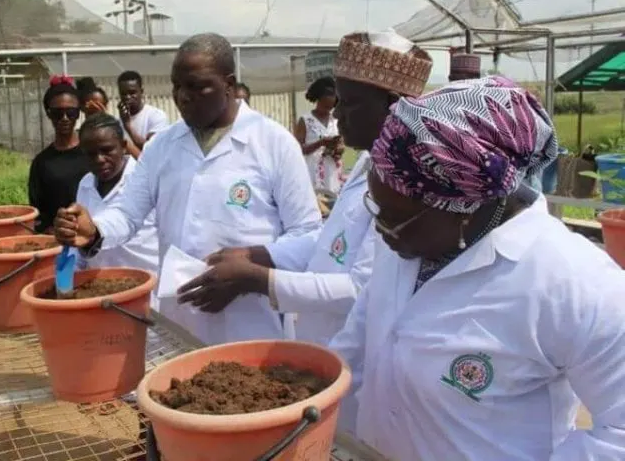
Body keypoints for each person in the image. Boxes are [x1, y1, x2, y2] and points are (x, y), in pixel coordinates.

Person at [330, 76, 625, 459]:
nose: (379, 228)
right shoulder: (408, 244)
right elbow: (360, 334)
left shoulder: (576, 283)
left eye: (395, 216)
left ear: (465, 209)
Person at [55, 33, 322, 345]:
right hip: (180, 319)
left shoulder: (273, 143)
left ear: (229, 84)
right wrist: (95, 230)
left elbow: (307, 233)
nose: (183, 96)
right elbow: (127, 214)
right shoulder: (162, 147)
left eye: (197, 86)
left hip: (252, 323)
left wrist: (249, 268)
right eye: (177, 86)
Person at [180, 29, 434, 349]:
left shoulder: (405, 186)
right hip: (325, 342)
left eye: (350, 103)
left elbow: (362, 288)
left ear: (393, 105)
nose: (338, 114)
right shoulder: (369, 162)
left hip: (362, 355)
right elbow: (330, 239)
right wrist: (260, 254)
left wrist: (256, 279)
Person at [72, 112, 159, 294]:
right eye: (91, 154)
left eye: (106, 150)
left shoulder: (145, 182)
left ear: (124, 146)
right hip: (100, 289)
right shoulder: (85, 184)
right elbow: (80, 243)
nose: (99, 159)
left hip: (146, 290)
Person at [28, 75, 89, 233]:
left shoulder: (93, 153)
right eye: (57, 113)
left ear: (79, 112)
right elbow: (37, 211)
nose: (64, 118)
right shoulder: (41, 163)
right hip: (59, 241)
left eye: (71, 112)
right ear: (48, 114)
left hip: (94, 237)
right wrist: (50, 230)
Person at [294, 76, 346, 194]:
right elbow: (298, 149)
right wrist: (320, 143)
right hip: (312, 173)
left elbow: (342, 146)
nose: (327, 110)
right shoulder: (306, 120)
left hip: (332, 173)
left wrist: (338, 150)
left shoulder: (335, 120)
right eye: (325, 106)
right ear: (318, 100)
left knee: (332, 203)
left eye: (330, 107)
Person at [116, 70, 169, 156]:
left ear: (141, 91)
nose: (128, 97)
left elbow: (152, 150)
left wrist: (128, 126)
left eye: (132, 93)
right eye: (123, 94)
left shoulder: (156, 116)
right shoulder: (117, 122)